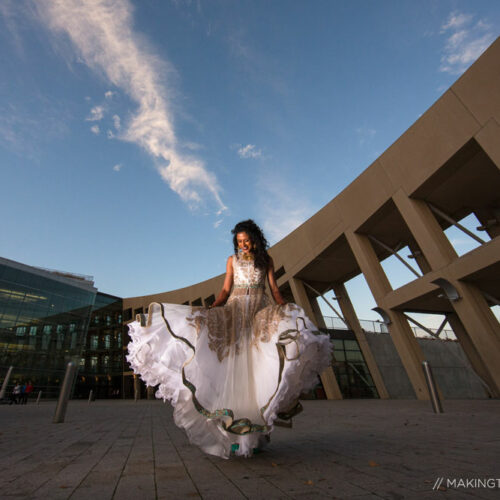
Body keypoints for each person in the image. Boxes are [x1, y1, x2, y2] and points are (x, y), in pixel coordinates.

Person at [127, 219, 332, 458]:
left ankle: (253, 438)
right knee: (231, 369)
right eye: (239, 242)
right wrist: (214, 306)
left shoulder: (266, 260)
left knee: (256, 370)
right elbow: (225, 289)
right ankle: (233, 437)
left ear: (255, 239)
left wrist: (284, 307)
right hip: (234, 312)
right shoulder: (231, 260)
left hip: (257, 314)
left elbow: (274, 289)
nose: (243, 245)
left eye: (246, 241)